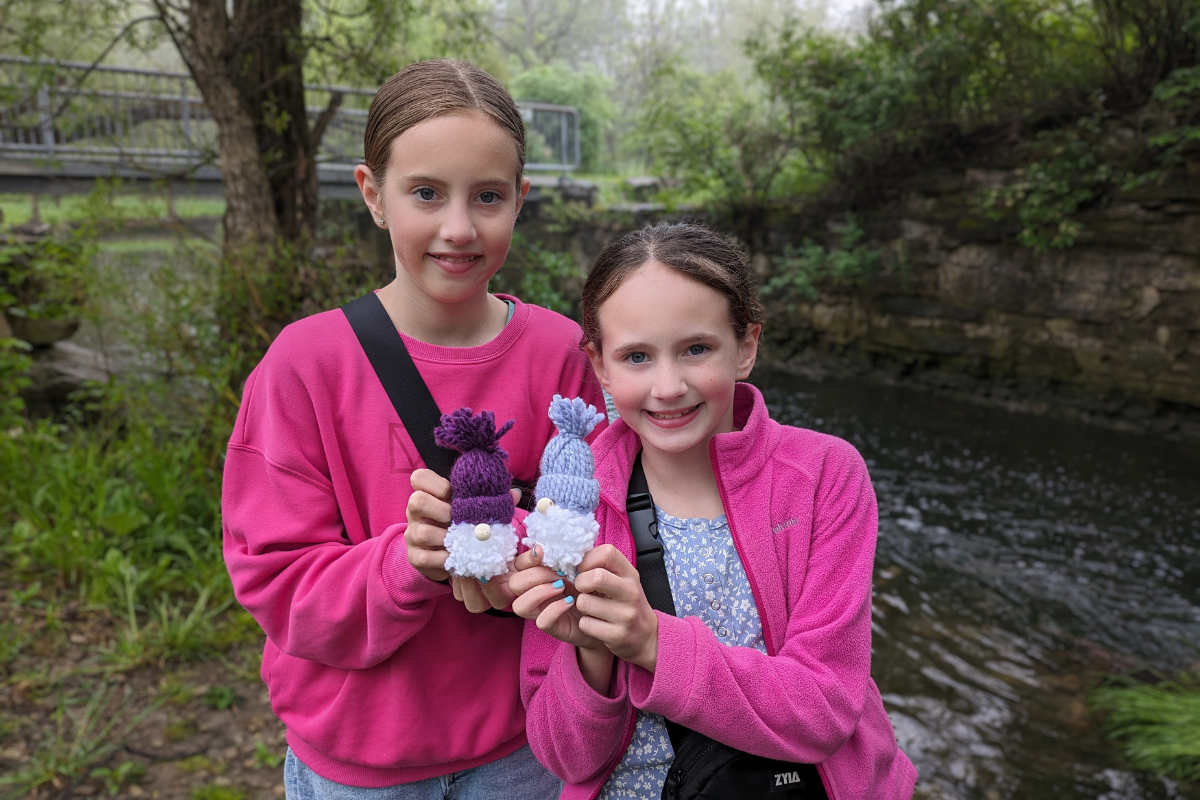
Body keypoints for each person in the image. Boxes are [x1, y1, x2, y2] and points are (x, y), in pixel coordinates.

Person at [221, 59, 604, 800]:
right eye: (426, 193)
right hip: (359, 762)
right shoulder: (304, 366)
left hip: (525, 748)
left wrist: (532, 552)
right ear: (373, 194)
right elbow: (274, 582)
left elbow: (613, 523)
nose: (458, 229)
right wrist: (406, 561)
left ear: (520, 202)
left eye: (487, 197)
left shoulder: (564, 354)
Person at [510, 222, 918, 800]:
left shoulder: (823, 477)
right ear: (600, 365)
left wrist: (652, 643)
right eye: (636, 357)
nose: (669, 385)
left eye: (696, 349)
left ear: (746, 346)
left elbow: (826, 709)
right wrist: (593, 651)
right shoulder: (572, 507)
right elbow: (566, 758)